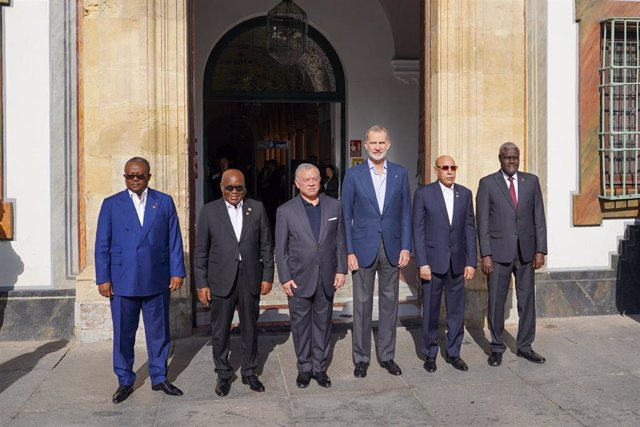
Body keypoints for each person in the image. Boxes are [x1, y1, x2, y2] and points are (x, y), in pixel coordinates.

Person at [95, 157, 186, 404]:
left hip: (156, 278)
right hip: (122, 281)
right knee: (124, 333)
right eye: (130, 176)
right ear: (125, 177)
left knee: (159, 333)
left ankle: (159, 377)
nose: (135, 180)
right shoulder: (111, 204)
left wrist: (177, 272)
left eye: (140, 176)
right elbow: (102, 244)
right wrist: (103, 278)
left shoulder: (163, 202)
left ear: (149, 176)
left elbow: (174, 239)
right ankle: (125, 380)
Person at [194, 169, 274, 397]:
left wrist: (267, 276)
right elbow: (201, 251)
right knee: (220, 330)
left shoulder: (256, 208)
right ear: (221, 187)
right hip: (220, 279)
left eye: (239, 187)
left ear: (245, 188)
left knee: (250, 327)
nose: (234, 192)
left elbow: (266, 245)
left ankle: (250, 372)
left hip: (249, 277)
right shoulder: (210, 211)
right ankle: (223, 374)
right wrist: (202, 283)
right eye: (229, 187)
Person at [341, 125, 412, 378]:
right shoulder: (353, 175)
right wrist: (349, 250)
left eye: (382, 142)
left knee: (389, 304)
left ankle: (387, 356)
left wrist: (406, 246)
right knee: (361, 305)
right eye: (373, 143)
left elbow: (406, 213)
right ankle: (361, 358)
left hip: (392, 248)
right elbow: (345, 215)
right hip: (362, 249)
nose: (378, 147)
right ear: (366, 145)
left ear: (388, 144)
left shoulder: (400, 174)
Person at [275, 164, 347, 389]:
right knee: (300, 325)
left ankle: (319, 368)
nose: (312, 183)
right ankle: (304, 368)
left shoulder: (334, 206)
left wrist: (341, 269)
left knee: (323, 325)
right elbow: (281, 248)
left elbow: (340, 241)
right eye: (306, 180)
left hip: (326, 276)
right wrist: (285, 278)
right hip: (298, 279)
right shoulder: (285, 211)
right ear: (297, 183)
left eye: (315, 178)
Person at [476, 142, 548, 367]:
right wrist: (485, 254)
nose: (512, 161)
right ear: (500, 158)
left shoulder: (531, 182)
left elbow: (539, 218)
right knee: (497, 301)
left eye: (515, 158)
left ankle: (525, 346)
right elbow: (483, 222)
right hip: (498, 253)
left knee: (527, 301)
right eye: (508, 158)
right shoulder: (488, 183)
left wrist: (540, 249)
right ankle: (496, 347)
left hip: (526, 252)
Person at [412, 155, 477, 373]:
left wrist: (471, 262)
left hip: (457, 263)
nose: (449, 171)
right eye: (445, 168)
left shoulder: (465, 194)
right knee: (430, 310)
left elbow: (470, 228)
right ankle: (430, 353)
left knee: (456, 311)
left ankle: (453, 352)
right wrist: (422, 262)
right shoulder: (423, 194)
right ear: (436, 170)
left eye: (453, 167)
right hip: (432, 263)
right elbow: (418, 231)